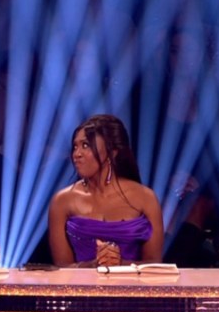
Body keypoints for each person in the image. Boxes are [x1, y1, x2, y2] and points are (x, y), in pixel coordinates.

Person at [48, 114, 164, 267]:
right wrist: (93, 265)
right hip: (81, 283)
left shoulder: (146, 198)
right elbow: (61, 268)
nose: (77, 154)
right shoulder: (62, 201)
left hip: (131, 283)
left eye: (85, 145)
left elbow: (154, 264)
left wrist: (120, 264)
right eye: (75, 147)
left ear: (111, 152)